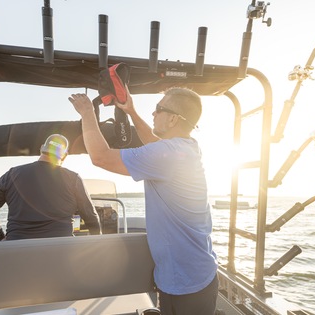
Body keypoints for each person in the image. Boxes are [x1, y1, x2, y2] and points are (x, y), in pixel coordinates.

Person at [69, 87, 218, 315]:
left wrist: (88, 114)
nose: (153, 114)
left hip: (188, 282)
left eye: (158, 109)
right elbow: (153, 143)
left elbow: (100, 156)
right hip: (187, 274)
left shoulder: (168, 155)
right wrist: (131, 112)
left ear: (172, 119)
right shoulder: (185, 147)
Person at [0, 134, 101, 241]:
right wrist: (97, 243)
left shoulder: (12, 174)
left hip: (17, 252)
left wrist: (0, 239)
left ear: (42, 148)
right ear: (64, 155)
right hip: (60, 252)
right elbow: (90, 217)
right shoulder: (73, 178)